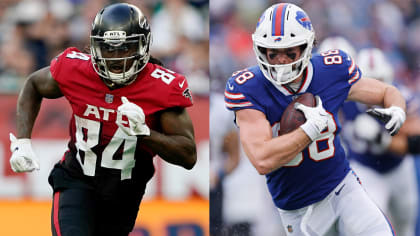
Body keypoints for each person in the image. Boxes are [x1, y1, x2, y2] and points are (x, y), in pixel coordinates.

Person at [9, 3, 197, 236]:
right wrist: (23, 141)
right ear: (94, 47)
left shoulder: (162, 86)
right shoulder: (75, 69)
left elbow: (188, 155)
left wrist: (145, 134)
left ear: (143, 45)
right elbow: (33, 84)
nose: (116, 58)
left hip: (125, 193)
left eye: (125, 48)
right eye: (108, 48)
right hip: (76, 180)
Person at [224, 3, 406, 235]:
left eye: (289, 52)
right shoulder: (249, 87)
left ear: (307, 46)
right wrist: (309, 130)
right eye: (273, 52)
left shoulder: (330, 70)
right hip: (299, 211)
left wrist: (397, 108)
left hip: (343, 189)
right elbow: (262, 159)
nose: (281, 60)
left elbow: (385, 92)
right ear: (260, 49)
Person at [340, 48, 420, 236]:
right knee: (366, 227)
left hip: (399, 168)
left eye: (380, 81)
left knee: (405, 228)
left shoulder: (402, 97)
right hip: (365, 170)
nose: (376, 89)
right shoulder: (344, 100)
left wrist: (382, 140)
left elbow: (416, 142)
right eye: (370, 81)